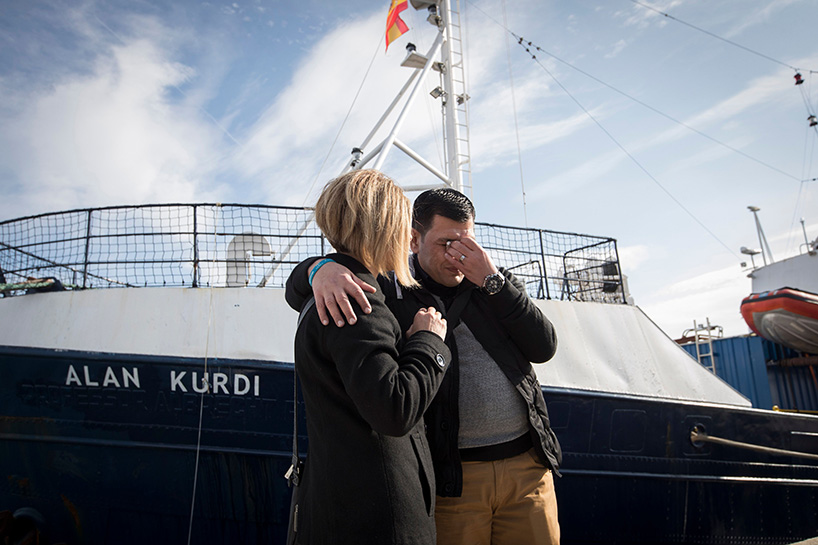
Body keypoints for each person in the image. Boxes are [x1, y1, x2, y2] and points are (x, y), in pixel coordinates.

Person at [286, 187, 562, 545]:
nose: (459, 256)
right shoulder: (390, 287)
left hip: (528, 471)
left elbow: (544, 347)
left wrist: (493, 281)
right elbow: (297, 291)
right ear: (413, 239)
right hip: (454, 478)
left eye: (467, 244)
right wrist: (318, 268)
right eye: (446, 243)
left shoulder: (493, 284)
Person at [286, 170, 451, 545]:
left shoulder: (328, 291)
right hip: (379, 519)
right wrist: (428, 342)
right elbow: (394, 409)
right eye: (402, 225)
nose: (409, 237)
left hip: (340, 508)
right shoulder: (358, 302)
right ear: (382, 229)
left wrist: (318, 267)